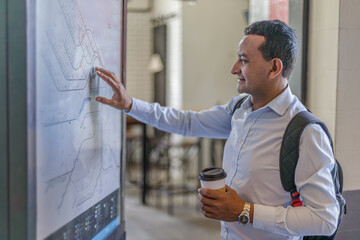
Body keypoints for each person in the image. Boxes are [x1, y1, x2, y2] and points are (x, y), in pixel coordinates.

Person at [95, 20, 339, 240]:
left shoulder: (305, 132)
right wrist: (130, 105)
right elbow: (186, 122)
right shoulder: (239, 110)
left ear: (274, 68)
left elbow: (324, 220)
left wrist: (245, 211)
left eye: (244, 60)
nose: (234, 69)